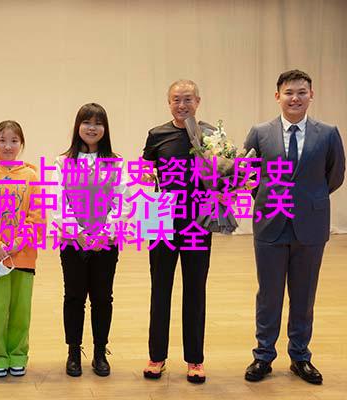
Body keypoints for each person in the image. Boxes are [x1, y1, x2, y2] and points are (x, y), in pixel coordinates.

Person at [243, 70, 345, 384]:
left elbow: (334, 175)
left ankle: (300, 357)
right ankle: (263, 356)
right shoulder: (260, 132)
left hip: (310, 226)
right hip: (270, 224)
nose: (295, 98)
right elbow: (248, 175)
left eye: (302, 92)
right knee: (269, 295)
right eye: (289, 92)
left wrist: (308, 199)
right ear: (278, 96)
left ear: (311, 95)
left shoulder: (328, 133)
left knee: (304, 294)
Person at [141, 80, 214, 384]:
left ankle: (195, 359)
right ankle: (156, 356)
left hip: (198, 216)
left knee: (195, 289)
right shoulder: (157, 134)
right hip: (160, 215)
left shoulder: (211, 135)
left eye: (187, 99)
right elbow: (145, 170)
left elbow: (223, 174)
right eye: (176, 100)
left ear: (198, 101)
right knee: (160, 288)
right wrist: (146, 177)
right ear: (168, 102)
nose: (182, 105)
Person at [51, 103, 130, 377]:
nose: (92, 128)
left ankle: (99, 352)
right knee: (74, 297)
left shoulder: (116, 162)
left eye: (98, 123)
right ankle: (73, 351)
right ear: (78, 126)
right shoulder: (63, 162)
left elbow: (122, 200)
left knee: (102, 298)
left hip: (106, 244)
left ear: (105, 129)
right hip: (73, 243)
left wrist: (106, 233)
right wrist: (78, 233)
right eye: (87, 122)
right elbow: (57, 200)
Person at [0, 120, 44, 378]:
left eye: (14, 141)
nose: (8, 146)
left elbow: (37, 215)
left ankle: (18, 355)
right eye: (2, 140)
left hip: (23, 255)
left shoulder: (31, 176)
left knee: (21, 311)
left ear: (21, 144)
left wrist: (18, 242)